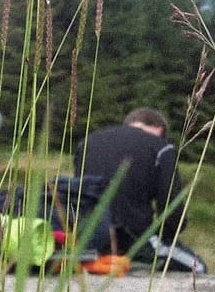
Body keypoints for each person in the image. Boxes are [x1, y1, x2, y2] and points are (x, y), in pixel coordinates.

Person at [73, 107, 189, 261]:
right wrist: (165, 237)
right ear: (160, 130)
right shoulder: (162, 147)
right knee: (198, 267)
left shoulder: (88, 142)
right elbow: (172, 209)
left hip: (89, 241)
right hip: (135, 241)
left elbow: (78, 191)